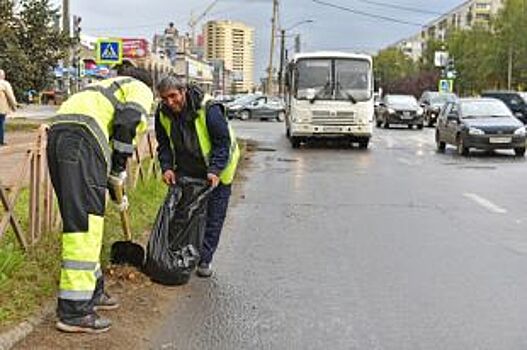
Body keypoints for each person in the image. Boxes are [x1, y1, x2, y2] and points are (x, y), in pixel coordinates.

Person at [47, 66, 154, 333]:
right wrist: (118, 167)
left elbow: (112, 130)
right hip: (83, 142)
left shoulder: (103, 89)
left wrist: (117, 187)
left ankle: (92, 292)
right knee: (85, 226)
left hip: (61, 137)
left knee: (83, 217)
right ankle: (74, 312)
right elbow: (128, 123)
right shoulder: (139, 87)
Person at [154, 76, 239, 278]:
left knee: (213, 216)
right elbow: (163, 144)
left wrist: (215, 170)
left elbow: (222, 144)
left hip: (218, 170)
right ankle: (183, 252)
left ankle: (205, 259)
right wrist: (166, 167)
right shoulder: (162, 113)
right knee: (184, 213)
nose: (169, 102)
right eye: (164, 98)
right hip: (188, 169)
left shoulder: (209, 110)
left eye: (173, 96)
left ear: (183, 91)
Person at [0, 69, 18, 146]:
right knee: (1, 123)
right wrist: (14, 106)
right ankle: (1, 141)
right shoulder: (4, 84)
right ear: (2, 76)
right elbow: (10, 96)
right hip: (1, 108)